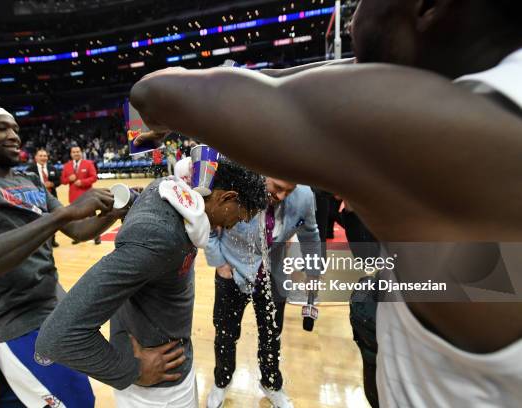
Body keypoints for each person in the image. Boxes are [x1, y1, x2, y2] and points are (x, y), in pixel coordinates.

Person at [128, 1, 522, 405]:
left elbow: (154, 94)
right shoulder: (491, 107)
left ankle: (272, 382)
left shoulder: (459, 133)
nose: (353, 15)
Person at [36, 157, 267, 408]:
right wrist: (131, 369)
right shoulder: (157, 235)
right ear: (226, 197)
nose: (236, 224)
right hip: (156, 392)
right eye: (241, 216)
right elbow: (58, 336)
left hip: (175, 366)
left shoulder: (170, 193)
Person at [0, 105, 127, 407]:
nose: (13, 136)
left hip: (55, 312)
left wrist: (116, 211)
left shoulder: (31, 182)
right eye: (1, 128)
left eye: (15, 129)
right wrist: (60, 215)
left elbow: (77, 229)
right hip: (16, 324)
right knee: (78, 402)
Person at [205, 177, 320, 408]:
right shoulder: (234, 183)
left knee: (271, 336)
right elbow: (206, 223)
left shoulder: (305, 196)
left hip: (273, 274)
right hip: (231, 268)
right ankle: (222, 380)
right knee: (225, 334)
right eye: (277, 188)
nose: (281, 196)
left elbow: (310, 234)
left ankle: (271, 383)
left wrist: (313, 272)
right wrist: (219, 263)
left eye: (289, 190)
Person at [61, 145, 100, 244]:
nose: (76, 153)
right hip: (74, 197)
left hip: (88, 196)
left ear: (81, 152)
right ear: (71, 154)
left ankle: (97, 237)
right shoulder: (67, 165)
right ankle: (77, 237)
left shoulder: (88, 163)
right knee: (77, 219)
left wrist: (82, 182)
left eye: (78, 151)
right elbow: (63, 180)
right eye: (74, 152)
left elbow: (94, 177)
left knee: (93, 218)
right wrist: (69, 179)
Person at [27, 148, 62, 247]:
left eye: (45, 156)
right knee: (38, 220)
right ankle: (40, 242)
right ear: (36, 157)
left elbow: (59, 181)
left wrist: (52, 184)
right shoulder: (30, 170)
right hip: (36, 199)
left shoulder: (52, 168)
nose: (43, 158)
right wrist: (39, 186)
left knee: (54, 219)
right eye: (41, 156)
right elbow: (26, 183)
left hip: (51, 198)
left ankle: (53, 240)